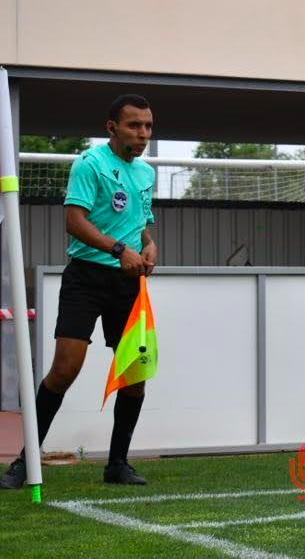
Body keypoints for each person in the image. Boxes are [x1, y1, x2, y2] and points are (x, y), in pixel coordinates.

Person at [1, 94, 157, 489]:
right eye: (134, 125)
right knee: (64, 371)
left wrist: (148, 245)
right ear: (112, 128)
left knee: (135, 375)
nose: (142, 134)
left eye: (148, 126)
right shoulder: (89, 164)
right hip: (86, 278)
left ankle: (117, 465)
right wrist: (119, 250)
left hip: (127, 286)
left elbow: (141, 224)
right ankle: (24, 463)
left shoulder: (145, 174)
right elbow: (74, 221)